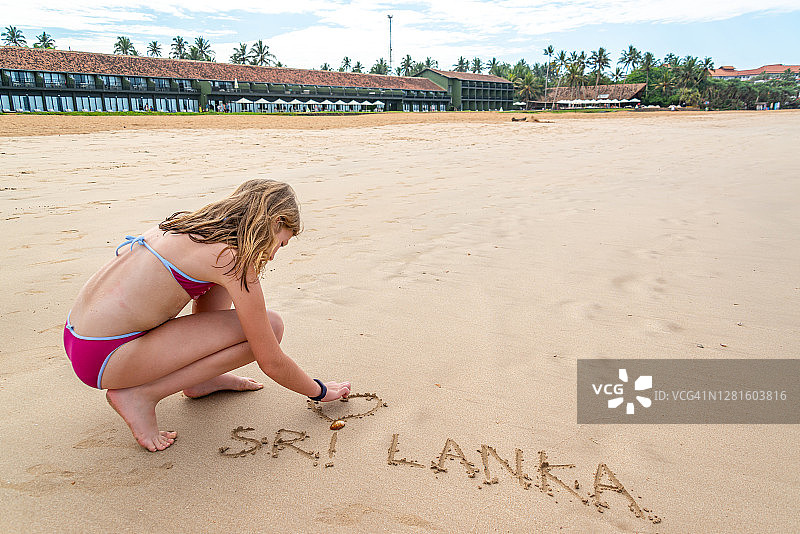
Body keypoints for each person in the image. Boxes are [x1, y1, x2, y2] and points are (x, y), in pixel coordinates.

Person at [63, 179, 351, 452]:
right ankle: (140, 395)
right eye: (281, 243)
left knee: (234, 303)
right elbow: (270, 360)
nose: (274, 255)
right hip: (106, 355)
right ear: (275, 222)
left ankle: (201, 381)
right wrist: (319, 391)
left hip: (81, 339)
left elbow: (208, 315)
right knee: (272, 327)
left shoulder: (191, 227)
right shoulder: (230, 259)